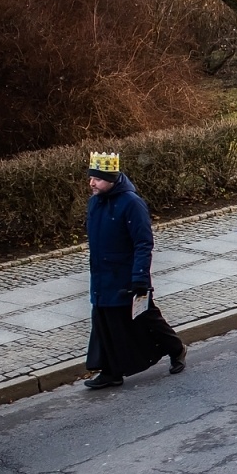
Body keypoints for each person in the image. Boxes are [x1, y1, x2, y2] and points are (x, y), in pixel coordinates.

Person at [82, 151, 185, 389]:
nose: (91, 183)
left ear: (111, 178)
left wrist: (139, 277)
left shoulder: (132, 203)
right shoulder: (94, 203)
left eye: (96, 178)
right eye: (91, 178)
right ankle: (110, 372)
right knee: (105, 322)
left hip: (126, 276)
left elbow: (143, 243)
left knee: (144, 317)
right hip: (102, 276)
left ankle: (176, 348)